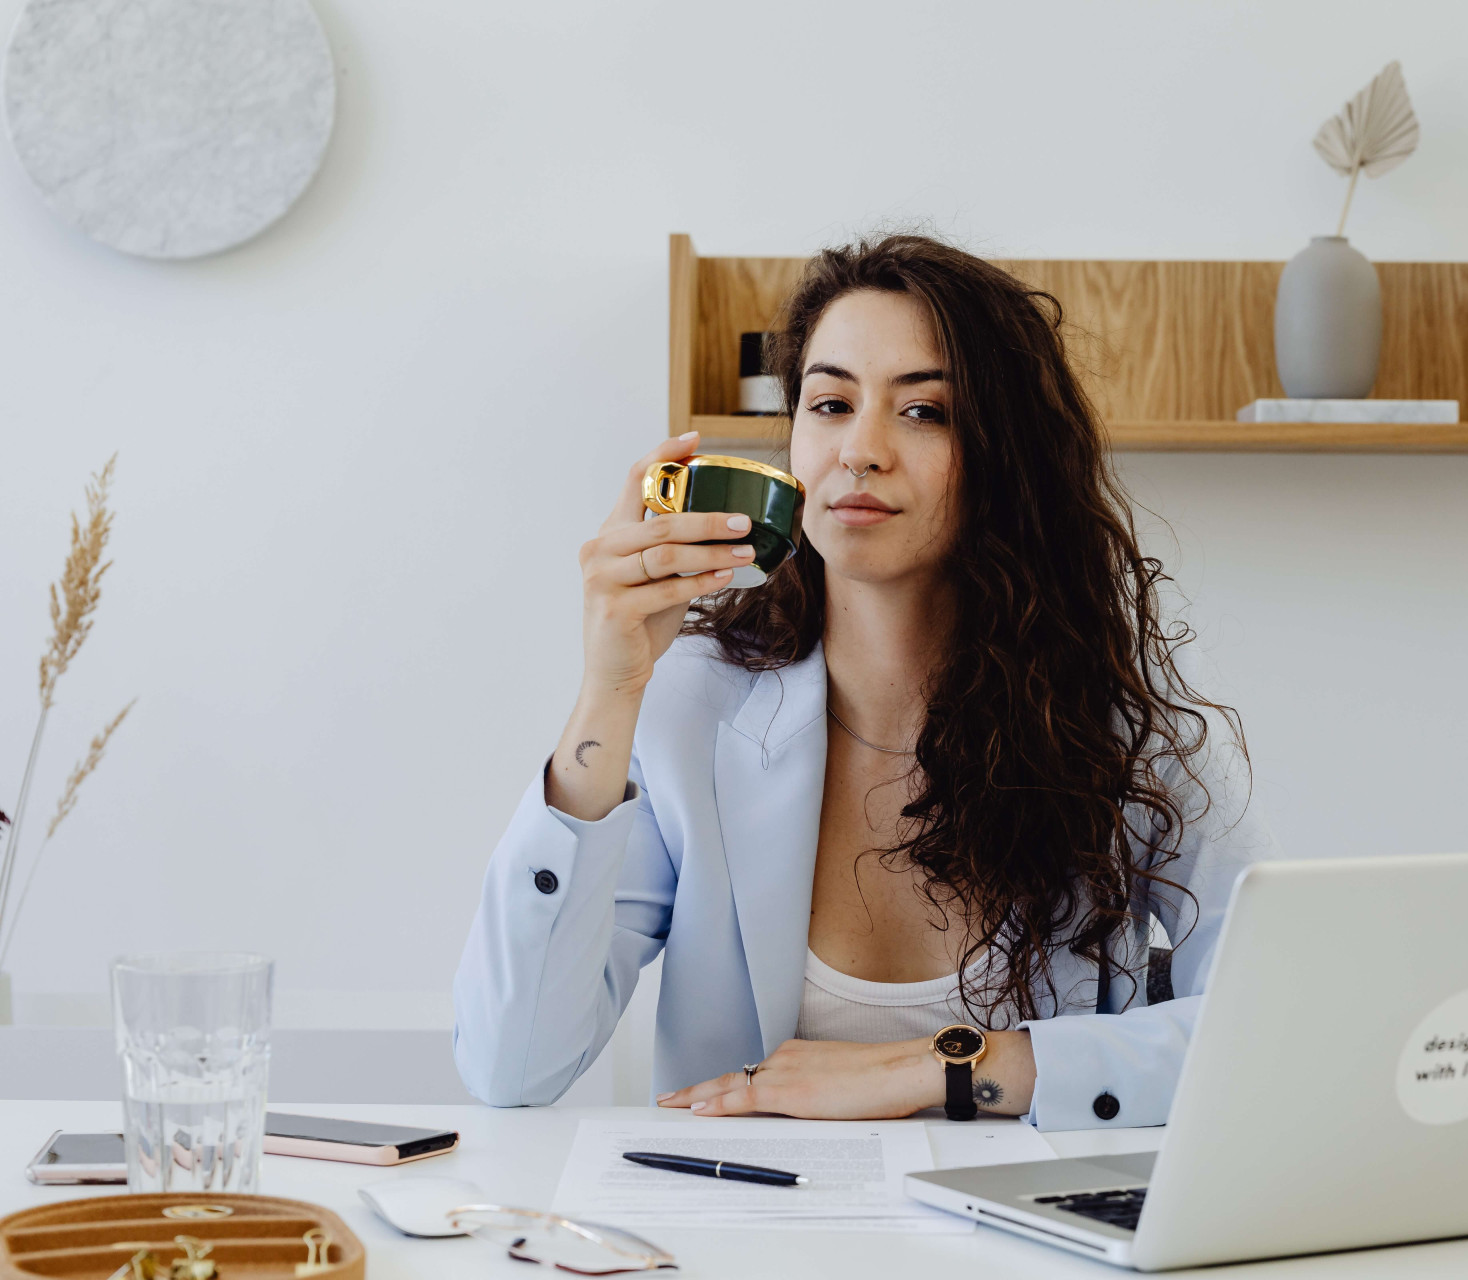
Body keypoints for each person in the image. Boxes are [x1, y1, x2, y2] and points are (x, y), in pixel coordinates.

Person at [453, 234, 1268, 1130]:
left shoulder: (1126, 727)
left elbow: (1276, 1026)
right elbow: (512, 1065)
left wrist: (944, 1067)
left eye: (925, 412)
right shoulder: (691, 705)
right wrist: (609, 691)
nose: (862, 450)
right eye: (831, 402)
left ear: (1008, 457)